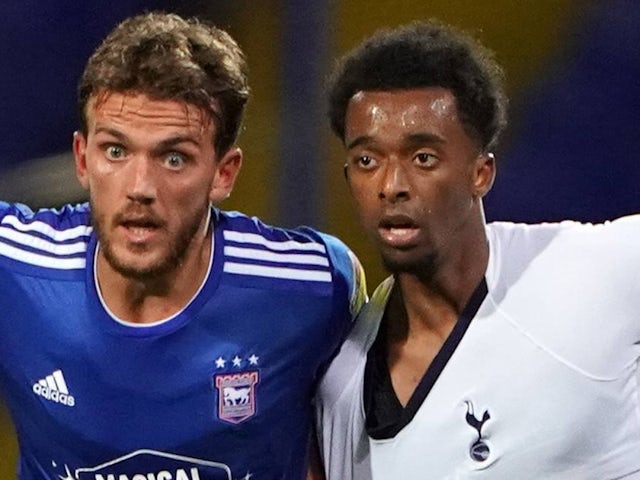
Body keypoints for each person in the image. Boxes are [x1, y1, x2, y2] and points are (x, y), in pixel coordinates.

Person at [0, 12, 366, 480]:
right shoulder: (19, 265)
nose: (140, 187)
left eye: (174, 158)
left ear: (224, 173)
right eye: (115, 151)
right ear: (81, 158)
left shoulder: (310, 287)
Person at [315, 19, 640, 479]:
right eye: (367, 161)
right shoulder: (342, 386)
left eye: (422, 157)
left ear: (481, 173)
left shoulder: (592, 272)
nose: (391, 186)